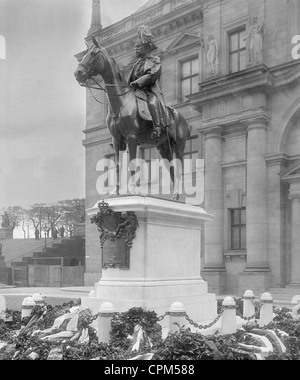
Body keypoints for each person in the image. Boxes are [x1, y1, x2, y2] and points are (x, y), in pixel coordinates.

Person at [128, 25, 172, 140]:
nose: (136, 49)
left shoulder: (154, 60)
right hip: (136, 93)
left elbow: (153, 74)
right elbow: (129, 81)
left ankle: (157, 127)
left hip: (150, 91)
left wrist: (137, 82)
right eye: (135, 47)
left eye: (138, 46)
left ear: (146, 47)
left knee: (152, 103)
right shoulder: (136, 65)